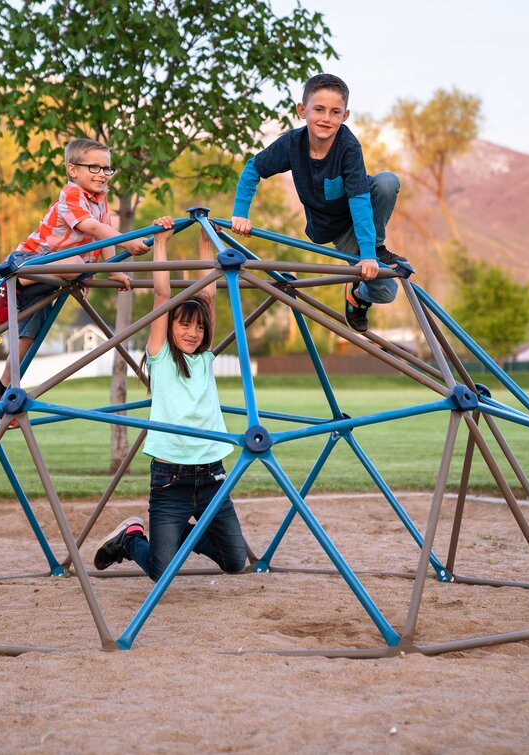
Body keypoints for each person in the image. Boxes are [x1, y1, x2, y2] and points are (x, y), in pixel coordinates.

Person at [94, 216, 247, 582]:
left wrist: (206, 239)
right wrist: (160, 243)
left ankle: (181, 535)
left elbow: (208, 291)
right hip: (170, 480)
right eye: (184, 324)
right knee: (162, 571)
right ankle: (131, 541)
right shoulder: (160, 357)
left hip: (212, 475)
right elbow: (162, 297)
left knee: (235, 561)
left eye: (198, 326)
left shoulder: (206, 358)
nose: (192, 333)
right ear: (170, 327)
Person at [231, 73, 406, 333]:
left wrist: (369, 254)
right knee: (388, 291)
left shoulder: (348, 147)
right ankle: (358, 290)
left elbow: (359, 199)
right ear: (302, 110)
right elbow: (252, 168)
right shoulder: (292, 144)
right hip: (335, 229)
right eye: (319, 109)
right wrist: (240, 214)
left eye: (335, 112)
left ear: (345, 116)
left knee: (387, 182)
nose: (326, 118)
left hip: (362, 217)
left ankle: (364, 281)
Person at [0, 137, 149, 406]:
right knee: (76, 264)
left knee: (30, 335)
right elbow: (94, 229)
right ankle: (9, 276)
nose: (102, 175)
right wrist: (128, 241)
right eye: (93, 168)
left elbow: (102, 240)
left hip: (59, 274)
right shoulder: (71, 193)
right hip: (34, 259)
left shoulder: (101, 201)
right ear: (73, 170)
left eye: (107, 169)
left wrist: (113, 271)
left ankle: (1, 388)